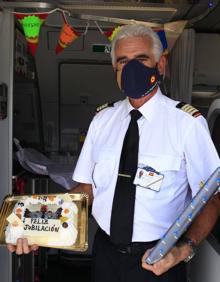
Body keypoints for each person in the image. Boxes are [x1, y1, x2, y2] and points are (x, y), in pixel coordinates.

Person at [8, 24, 220, 282]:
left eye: (141, 60)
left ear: (160, 65)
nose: (131, 69)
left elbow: (211, 200)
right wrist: (39, 229)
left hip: (160, 259)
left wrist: (182, 251)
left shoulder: (187, 124)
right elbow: (86, 191)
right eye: (123, 62)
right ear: (116, 72)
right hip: (106, 254)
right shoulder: (103, 119)